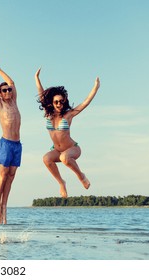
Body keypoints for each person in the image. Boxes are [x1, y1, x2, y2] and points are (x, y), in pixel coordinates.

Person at [35, 68, 100, 198]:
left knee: (64, 158)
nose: (59, 104)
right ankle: (61, 183)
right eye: (56, 102)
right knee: (46, 159)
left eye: (61, 101)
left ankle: (81, 176)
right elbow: (42, 95)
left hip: (72, 149)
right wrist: (37, 78)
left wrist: (96, 87)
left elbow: (85, 102)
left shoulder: (68, 115)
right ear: (52, 103)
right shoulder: (48, 114)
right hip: (57, 151)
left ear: (64, 101)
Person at [0, 58, 22, 225]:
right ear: (0, 93)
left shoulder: (14, 102)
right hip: (6, 144)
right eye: (4, 90)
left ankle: (4, 206)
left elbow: (12, 81)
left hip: (17, 145)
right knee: (2, 176)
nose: (8, 92)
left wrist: (1, 69)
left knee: (11, 176)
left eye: (9, 90)